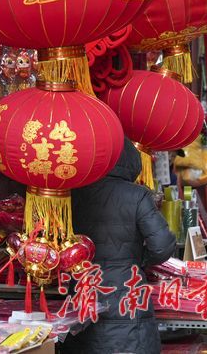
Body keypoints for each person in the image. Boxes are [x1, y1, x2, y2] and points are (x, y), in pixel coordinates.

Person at [63, 138, 177, 354]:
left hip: (83, 289)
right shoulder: (137, 195)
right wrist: (139, 260)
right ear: (132, 161)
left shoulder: (73, 193)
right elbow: (162, 245)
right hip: (127, 294)